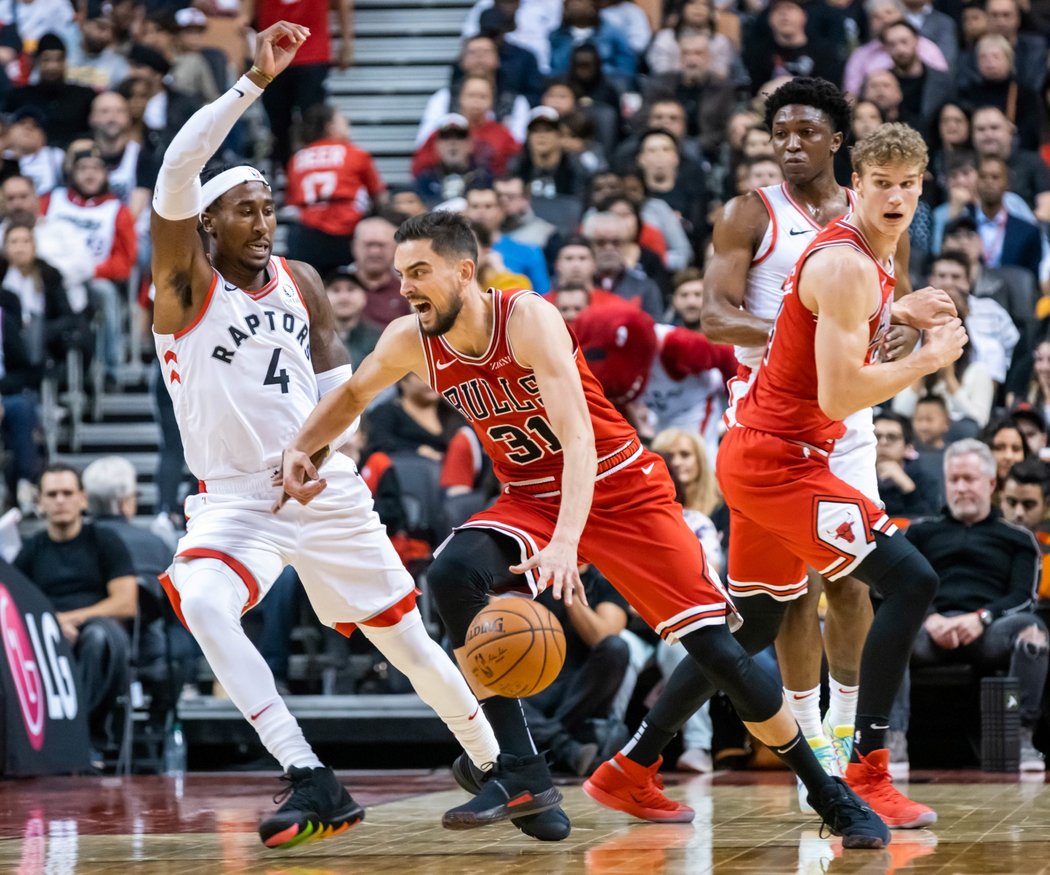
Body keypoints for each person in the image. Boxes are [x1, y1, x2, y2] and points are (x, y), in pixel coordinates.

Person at [279, 209, 894, 849]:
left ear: (465, 271)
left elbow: (577, 436)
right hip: (531, 495)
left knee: (718, 654)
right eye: (402, 273)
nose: (404, 286)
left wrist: (568, 542)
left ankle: (832, 795)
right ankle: (521, 770)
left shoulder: (527, 318)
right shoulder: (411, 339)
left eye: (420, 272)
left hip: (621, 487)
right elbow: (351, 398)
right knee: (454, 572)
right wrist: (303, 446)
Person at [148, 22, 500, 849]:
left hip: (322, 484)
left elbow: (340, 393)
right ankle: (311, 775)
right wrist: (253, 83)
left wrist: (330, 456)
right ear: (205, 226)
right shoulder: (183, 285)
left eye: (269, 206)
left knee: (408, 642)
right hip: (234, 498)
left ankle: (496, 761)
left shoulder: (302, 280)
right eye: (245, 210)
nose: (265, 220)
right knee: (201, 598)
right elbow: (173, 169)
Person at [713, 122, 966, 826]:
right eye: (881, 182)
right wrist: (928, 356)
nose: (894, 195)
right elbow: (839, 394)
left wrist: (899, 309)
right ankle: (863, 765)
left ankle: (633, 761)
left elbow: (841, 332)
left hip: (782, 450)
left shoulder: (873, 254)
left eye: (907, 185)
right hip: (778, 456)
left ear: (921, 189)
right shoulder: (847, 260)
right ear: (857, 184)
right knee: (907, 578)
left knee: (755, 619)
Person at [902, 440, 1047, 771]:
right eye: (954, 480)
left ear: (991, 483)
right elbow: (901, 586)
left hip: (991, 629)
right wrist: (930, 617)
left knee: (1033, 633)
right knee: (889, 634)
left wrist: (982, 617)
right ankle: (890, 742)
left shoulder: (1017, 538)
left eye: (969, 479)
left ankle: (1022, 738)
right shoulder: (920, 533)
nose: (961, 488)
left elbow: (1024, 596)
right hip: (930, 629)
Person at [15, 464, 137, 759]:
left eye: (67, 493)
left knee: (94, 638)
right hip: (47, 638)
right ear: (40, 503)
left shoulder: (105, 541)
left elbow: (126, 603)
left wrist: (65, 621)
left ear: (82, 499)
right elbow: (14, 610)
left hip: (103, 633)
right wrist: (52, 629)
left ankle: (84, 739)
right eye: (52, 494)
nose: (60, 501)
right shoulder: (31, 550)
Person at [284, 104, 386, 277]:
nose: (347, 123)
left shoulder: (297, 159)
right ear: (330, 126)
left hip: (308, 234)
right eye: (342, 120)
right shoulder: (356, 153)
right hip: (349, 230)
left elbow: (292, 202)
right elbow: (379, 196)